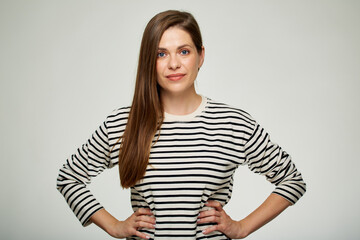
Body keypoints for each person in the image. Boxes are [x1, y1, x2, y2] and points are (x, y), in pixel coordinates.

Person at [56, 10, 306, 240]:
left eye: (184, 51)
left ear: (201, 56)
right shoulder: (124, 123)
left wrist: (241, 228)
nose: (173, 64)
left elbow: (292, 180)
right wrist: (113, 226)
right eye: (161, 53)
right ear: (148, 61)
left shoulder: (233, 123)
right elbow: (69, 177)